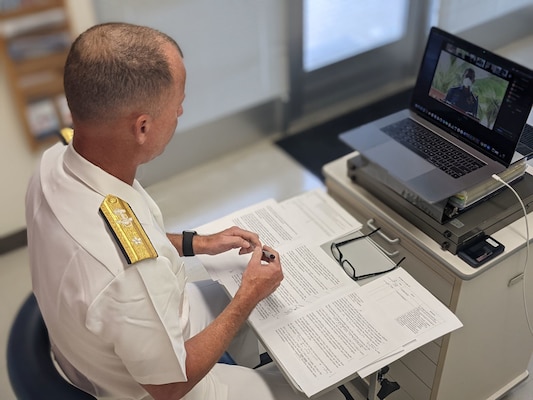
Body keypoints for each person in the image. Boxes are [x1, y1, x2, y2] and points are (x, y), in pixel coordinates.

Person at [25, 23, 346, 400]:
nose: (180, 109)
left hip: (105, 343)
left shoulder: (55, 164)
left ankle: (243, 365)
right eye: (177, 103)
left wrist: (200, 243)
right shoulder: (128, 275)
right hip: (161, 386)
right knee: (322, 390)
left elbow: (130, 241)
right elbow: (170, 384)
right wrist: (248, 296)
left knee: (232, 295)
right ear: (142, 127)